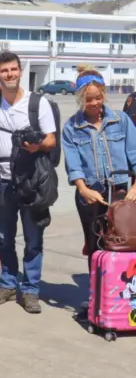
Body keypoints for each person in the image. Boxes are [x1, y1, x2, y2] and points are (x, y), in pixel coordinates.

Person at [0, 52, 57, 314]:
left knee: (34, 239)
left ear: (20, 71)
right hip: (2, 182)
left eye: (13, 69)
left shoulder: (38, 103)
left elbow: (51, 140)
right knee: (3, 238)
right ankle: (8, 283)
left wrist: (36, 145)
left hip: (31, 182)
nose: (9, 74)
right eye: (4, 71)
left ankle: (31, 289)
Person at [62, 66, 136, 312]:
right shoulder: (72, 127)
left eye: (98, 97)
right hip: (90, 195)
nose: (94, 102)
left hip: (121, 194)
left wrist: (135, 186)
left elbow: (134, 156)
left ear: (104, 94)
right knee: (96, 248)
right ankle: (98, 299)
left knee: (125, 244)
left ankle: (125, 298)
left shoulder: (121, 121)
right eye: (88, 98)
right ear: (79, 98)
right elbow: (73, 165)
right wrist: (83, 188)